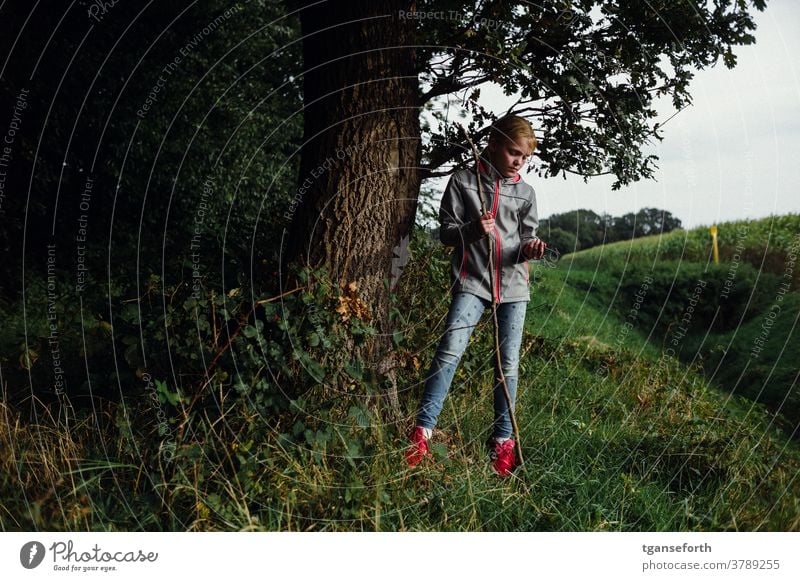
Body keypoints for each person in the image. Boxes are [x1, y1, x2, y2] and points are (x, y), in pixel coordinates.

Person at [406, 115, 546, 476]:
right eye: (514, 152)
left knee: (507, 365)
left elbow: (526, 238)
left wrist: (531, 249)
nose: (518, 161)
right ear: (495, 145)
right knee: (449, 351)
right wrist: (472, 228)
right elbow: (447, 234)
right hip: (472, 281)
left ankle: (503, 443)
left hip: (514, 287)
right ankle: (421, 433)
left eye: (525, 157)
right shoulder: (464, 182)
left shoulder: (526, 193)